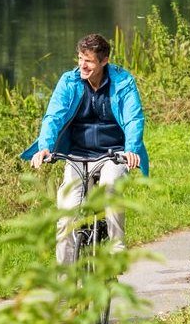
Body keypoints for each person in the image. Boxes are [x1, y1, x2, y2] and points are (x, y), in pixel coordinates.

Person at [22, 32, 149, 264]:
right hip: (77, 155)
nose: (83, 65)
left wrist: (131, 149)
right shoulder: (69, 82)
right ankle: (65, 281)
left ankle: (116, 247)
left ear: (103, 61)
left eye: (89, 60)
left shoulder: (123, 82)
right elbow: (53, 117)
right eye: (80, 58)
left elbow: (133, 118)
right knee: (66, 215)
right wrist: (45, 147)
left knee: (111, 187)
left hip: (114, 153)